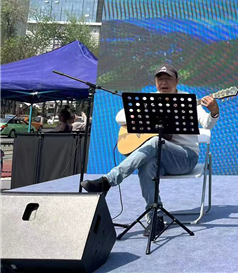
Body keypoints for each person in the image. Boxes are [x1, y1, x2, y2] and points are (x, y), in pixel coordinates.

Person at [80, 64, 219, 236]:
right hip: (161, 158)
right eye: (160, 79)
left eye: (168, 78)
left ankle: (108, 181)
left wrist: (214, 112)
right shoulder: (150, 99)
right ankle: (155, 218)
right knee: (146, 166)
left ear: (176, 81)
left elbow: (207, 124)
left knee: (155, 141)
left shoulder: (188, 99)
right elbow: (119, 117)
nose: (164, 82)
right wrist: (147, 114)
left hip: (185, 158)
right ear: (155, 82)